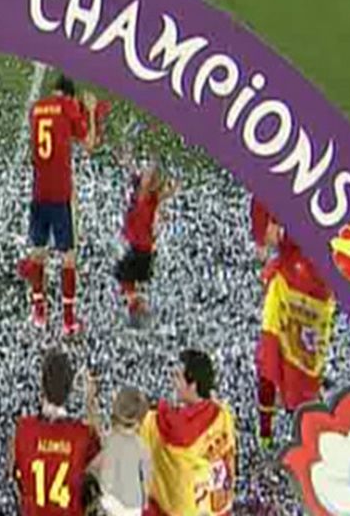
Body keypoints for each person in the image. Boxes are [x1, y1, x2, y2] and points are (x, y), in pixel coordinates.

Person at [16, 75, 99, 336]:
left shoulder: (37, 108)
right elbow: (88, 144)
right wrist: (92, 112)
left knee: (39, 252)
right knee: (68, 258)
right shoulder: (68, 106)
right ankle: (68, 319)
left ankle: (39, 311)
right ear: (70, 96)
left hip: (39, 191)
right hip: (60, 193)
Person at [256, 223, 336, 450]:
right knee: (269, 364)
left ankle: (304, 434)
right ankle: (266, 433)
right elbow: (270, 234)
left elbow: (270, 235)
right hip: (289, 296)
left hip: (310, 306)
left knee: (297, 373)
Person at [139, 349, 236, 516]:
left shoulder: (172, 429)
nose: (172, 382)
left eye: (177, 376)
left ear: (193, 384)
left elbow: (159, 428)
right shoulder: (223, 414)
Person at [11, 349, 101, 516]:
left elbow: (16, 475)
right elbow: (102, 457)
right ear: (70, 390)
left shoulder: (24, 429)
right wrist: (90, 402)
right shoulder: (82, 435)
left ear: (42, 385)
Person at [113, 162, 177, 326]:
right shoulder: (137, 188)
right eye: (146, 175)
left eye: (150, 177)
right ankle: (137, 306)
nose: (146, 177)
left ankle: (139, 308)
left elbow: (167, 194)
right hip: (137, 246)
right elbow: (128, 166)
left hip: (142, 249)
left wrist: (174, 187)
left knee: (125, 277)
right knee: (124, 278)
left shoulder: (152, 199)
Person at [89, 387, 152, 516]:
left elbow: (91, 469)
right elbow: (146, 483)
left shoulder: (111, 442)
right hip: (133, 508)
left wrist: (90, 401)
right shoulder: (142, 446)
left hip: (109, 504)